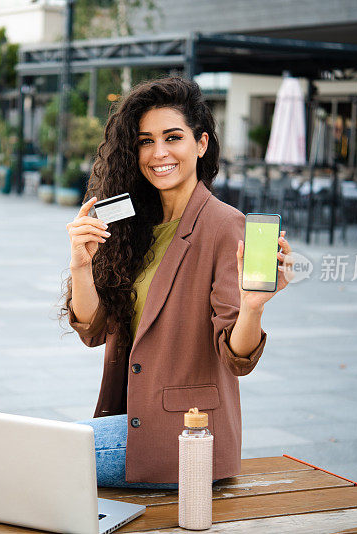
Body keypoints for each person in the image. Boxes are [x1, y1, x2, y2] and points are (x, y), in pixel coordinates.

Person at [62, 77, 293, 488]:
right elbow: (92, 330)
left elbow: (236, 356)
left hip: (188, 436)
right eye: (145, 141)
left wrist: (253, 306)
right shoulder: (133, 223)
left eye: (173, 137)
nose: (158, 153)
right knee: (30, 458)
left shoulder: (224, 224)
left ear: (201, 144)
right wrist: (81, 266)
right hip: (129, 421)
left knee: (38, 457)